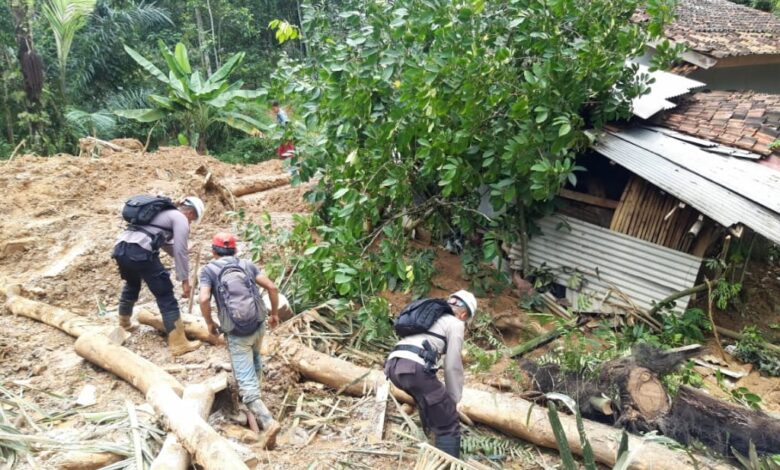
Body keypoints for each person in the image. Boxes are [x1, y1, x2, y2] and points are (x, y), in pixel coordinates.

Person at [199, 232, 281, 446]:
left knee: (245, 381)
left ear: (213, 251)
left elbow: (204, 298)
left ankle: (266, 420)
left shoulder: (209, 270)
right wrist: (274, 314)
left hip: (236, 332)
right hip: (258, 324)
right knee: (255, 360)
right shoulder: (247, 265)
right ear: (235, 250)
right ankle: (255, 397)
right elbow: (272, 287)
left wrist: (209, 323)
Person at [384, 290, 477, 458]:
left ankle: (432, 445)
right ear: (463, 314)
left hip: (393, 366)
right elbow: (452, 365)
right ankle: (447, 464)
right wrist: (453, 399)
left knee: (427, 402)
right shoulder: (456, 323)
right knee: (448, 419)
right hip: (413, 369)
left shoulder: (429, 317)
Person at [112, 196, 205, 356]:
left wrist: (182, 252)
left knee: (132, 284)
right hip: (140, 252)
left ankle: (124, 324)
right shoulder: (180, 218)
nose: (190, 223)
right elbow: (180, 250)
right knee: (165, 295)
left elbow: (163, 243)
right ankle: (178, 343)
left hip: (121, 249)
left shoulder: (160, 214)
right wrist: (185, 281)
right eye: (193, 219)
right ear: (190, 213)